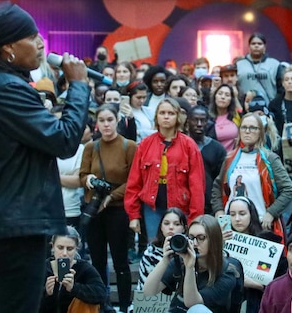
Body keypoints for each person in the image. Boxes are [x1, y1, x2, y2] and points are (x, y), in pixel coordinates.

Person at [0, 1, 91, 312]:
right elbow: (64, 139)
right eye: (32, 37)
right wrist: (79, 86)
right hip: (14, 227)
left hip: (1, 221)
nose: (41, 44)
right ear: (8, 48)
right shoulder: (6, 89)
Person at [80, 103, 136, 312]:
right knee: (97, 260)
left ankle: (123, 305)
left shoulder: (128, 146)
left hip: (118, 209)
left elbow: (133, 180)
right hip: (94, 208)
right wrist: (90, 180)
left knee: (120, 261)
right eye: (102, 121)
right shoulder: (90, 147)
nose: (106, 125)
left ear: (117, 120)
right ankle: (100, 304)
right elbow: (82, 175)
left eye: (110, 120)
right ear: (96, 124)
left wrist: (111, 196)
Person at [125, 97, 205, 239]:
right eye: (162, 113)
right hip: (152, 208)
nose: (166, 117)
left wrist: (195, 217)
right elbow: (134, 182)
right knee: (154, 248)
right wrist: (133, 215)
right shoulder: (145, 144)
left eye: (171, 113)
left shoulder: (189, 146)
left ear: (178, 117)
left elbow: (197, 185)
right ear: (156, 117)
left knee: (181, 249)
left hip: (181, 208)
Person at [212, 111, 292, 241]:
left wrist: (271, 213)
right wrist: (219, 211)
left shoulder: (270, 158)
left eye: (253, 128)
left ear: (260, 132)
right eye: (244, 127)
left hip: (260, 225)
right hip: (232, 227)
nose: (247, 131)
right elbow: (217, 187)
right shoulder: (230, 158)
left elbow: (288, 190)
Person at [143, 214, 244, 313]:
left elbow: (193, 304)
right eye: (191, 238)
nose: (195, 243)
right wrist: (165, 260)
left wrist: (190, 268)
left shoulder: (228, 271)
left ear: (214, 240)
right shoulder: (181, 261)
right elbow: (148, 292)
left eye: (201, 238)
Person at [40, 227, 111, 313]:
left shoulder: (84, 268)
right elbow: (27, 299)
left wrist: (74, 288)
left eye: (69, 249)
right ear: (52, 247)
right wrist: (46, 293)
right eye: (60, 248)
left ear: (76, 249)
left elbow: (101, 295)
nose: (64, 253)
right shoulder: (42, 268)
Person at [187, 105, 227, 214]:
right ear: (188, 121)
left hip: (209, 205)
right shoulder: (180, 145)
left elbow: (221, 181)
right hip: (183, 204)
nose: (199, 124)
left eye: (203, 120)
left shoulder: (217, 149)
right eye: (195, 120)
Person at [137, 207, 187, 291]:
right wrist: (165, 260)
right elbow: (144, 289)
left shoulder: (190, 251)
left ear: (184, 228)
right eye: (166, 223)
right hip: (154, 300)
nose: (171, 227)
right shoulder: (151, 253)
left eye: (177, 224)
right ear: (161, 227)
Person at [236, 34, 285, 102]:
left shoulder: (275, 64)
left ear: (264, 47)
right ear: (249, 47)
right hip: (245, 108)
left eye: (259, 44)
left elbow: (281, 88)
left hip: (269, 108)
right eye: (253, 44)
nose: (256, 46)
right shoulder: (239, 65)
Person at [210, 83, 242, 152]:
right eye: (220, 93)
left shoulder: (236, 116)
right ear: (215, 96)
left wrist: (236, 97)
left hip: (233, 158)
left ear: (231, 99)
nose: (223, 97)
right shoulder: (208, 118)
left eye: (227, 95)